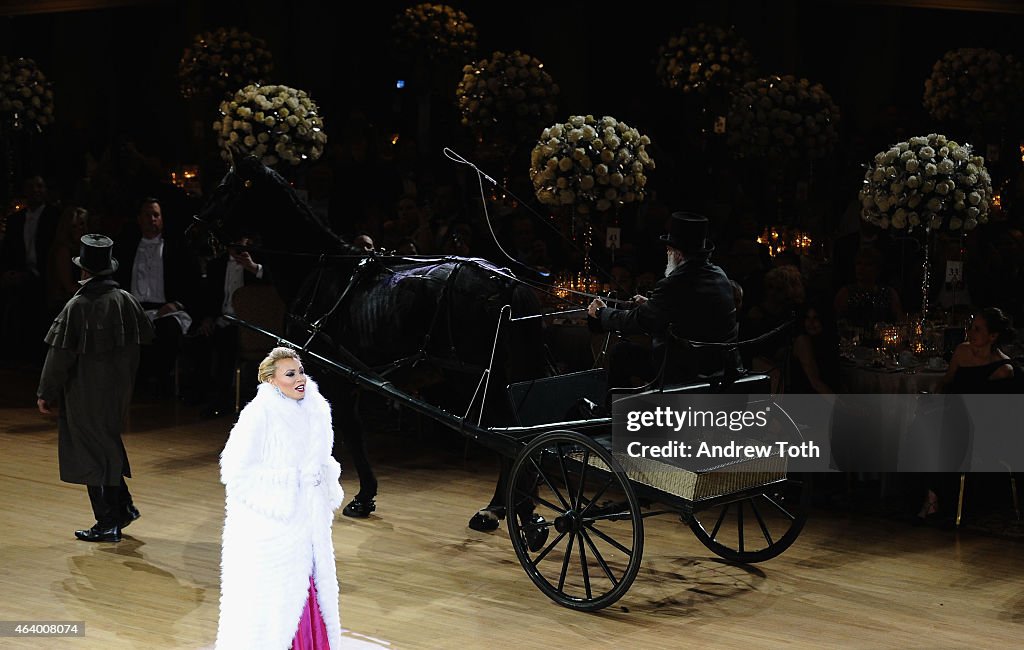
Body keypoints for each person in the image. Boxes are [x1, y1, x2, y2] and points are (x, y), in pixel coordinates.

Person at [216, 346, 343, 650]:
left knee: (312, 589)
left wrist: (324, 478)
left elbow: (324, 459)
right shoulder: (258, 415)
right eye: (290, 374)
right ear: (272, 381)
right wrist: (288, 484)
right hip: (274, 529)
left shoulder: (317, 409)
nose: (299, 378)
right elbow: (234, 470)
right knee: (275, 603)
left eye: (300, 371)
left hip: (309, 523)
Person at [36, 234, 154, 542]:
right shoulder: (126, 300)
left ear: (84, 270)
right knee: (107, 446)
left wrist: (46, 392)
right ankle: (123, 509)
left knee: (91, 453)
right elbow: (143, 343)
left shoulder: (78, 305)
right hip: (117, 392)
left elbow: (59, 355)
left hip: (85, 392)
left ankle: (107, 522)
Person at [587, 212, 740, 389]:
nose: (667, 255)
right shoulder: (719, 275)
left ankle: (616, 413)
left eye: (668, 251)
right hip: (721, 367)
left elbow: (639, 321)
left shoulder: (674, 283)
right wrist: (651, 305)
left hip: (687, 370)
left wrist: (601, 313)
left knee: (621, 353)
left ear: (677, 253)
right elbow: (691, 312)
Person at [909, 307, 1016, 523]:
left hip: (981, 426)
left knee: (943, 431)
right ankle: (927, 494)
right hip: (954, 415)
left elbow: (991, 412)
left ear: (992, 336)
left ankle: (935, 497)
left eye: (977, 329)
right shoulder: (962, 351)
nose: (970, 332)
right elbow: (947, 382)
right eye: (971, 327)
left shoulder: (1003, 368)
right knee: (922, 423)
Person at [114, 197, 198, 395]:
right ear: (139, 219)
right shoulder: (127, 248)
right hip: (134, 309)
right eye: (147, 215)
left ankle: (159, 381)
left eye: (156, 215)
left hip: (165, 309)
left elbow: (191, 282)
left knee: (167, 330)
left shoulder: (176, 248)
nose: (152, 219)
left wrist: (175, 305)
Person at [195, 233, 272, 417]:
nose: (237, 245)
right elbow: (210, 297)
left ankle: (231, 399)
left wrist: (253, 268)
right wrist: (208, 318)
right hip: (224, 319)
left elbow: (274, 286)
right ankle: (208, 396)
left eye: (240, 240)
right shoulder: (217, 264)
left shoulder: (257, 259)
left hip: (252, 324)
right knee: (202, 341)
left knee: (227, 344)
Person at [0, 175, 61, 363]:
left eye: (40, 186)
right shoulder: (15, 220)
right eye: (32, 186)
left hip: (46, 275)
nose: (36, 190)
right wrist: (8, 272)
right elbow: (8, 250)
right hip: (21, 273)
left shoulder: (54, 216)